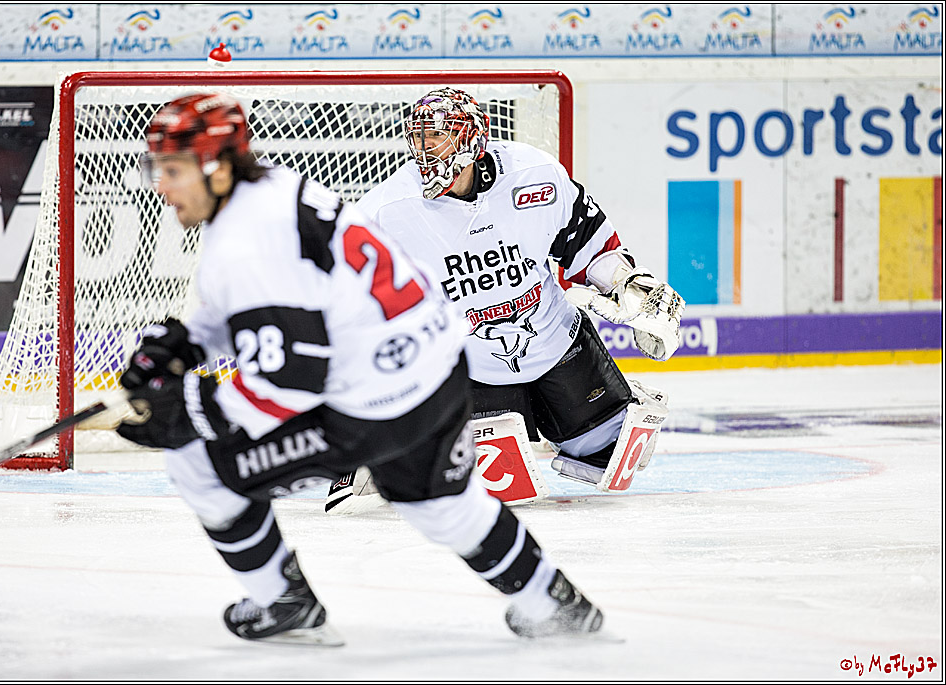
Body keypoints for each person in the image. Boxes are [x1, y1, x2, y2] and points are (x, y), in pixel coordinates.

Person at [114, 93, 605, 645]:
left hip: (372, 404)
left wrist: (195, 413)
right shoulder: (277, 187)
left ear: (217, 166)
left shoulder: (243, 244)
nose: (162, 185)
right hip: (438, 370)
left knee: (198, 463)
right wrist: (192, 340)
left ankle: (283, 601)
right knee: (444, 505)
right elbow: (287, 297)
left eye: (174, 170)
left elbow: (291, 381)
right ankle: (554, 601)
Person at [329, 87, 684, 509]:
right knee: (486, 491)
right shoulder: (389, 208)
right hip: (472, 367)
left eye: (438, 137)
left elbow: (590, 247)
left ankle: (616, 402)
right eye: (420, 138)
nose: (426, 152)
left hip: (556, 342)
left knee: (611, 459)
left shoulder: (534, 175)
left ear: (472, 140)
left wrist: (630, 288)